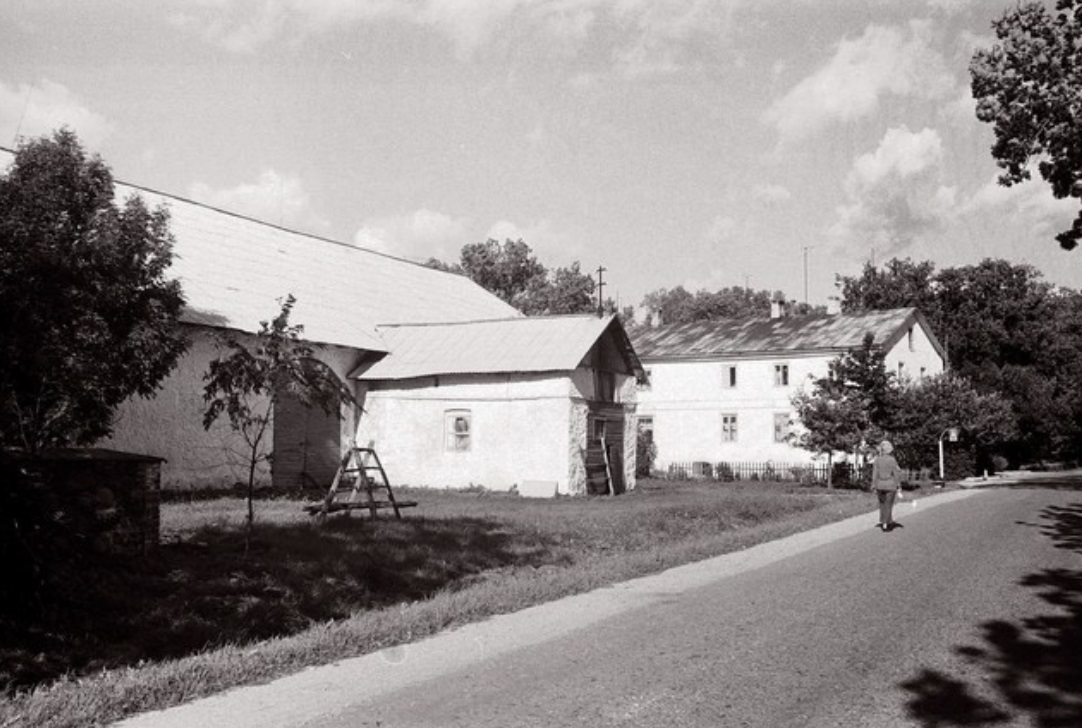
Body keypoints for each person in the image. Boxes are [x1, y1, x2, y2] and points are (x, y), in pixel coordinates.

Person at [871, 440, 903, 531]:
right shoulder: (892, 460)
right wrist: (898, 486)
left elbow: (875, 474)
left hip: (880, 485)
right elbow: (896, 474)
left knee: (882, 504)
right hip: (890, 485)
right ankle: (887, 523)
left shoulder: (877, 460)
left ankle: (884, 521)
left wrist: (874, 485)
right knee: (888, 504)